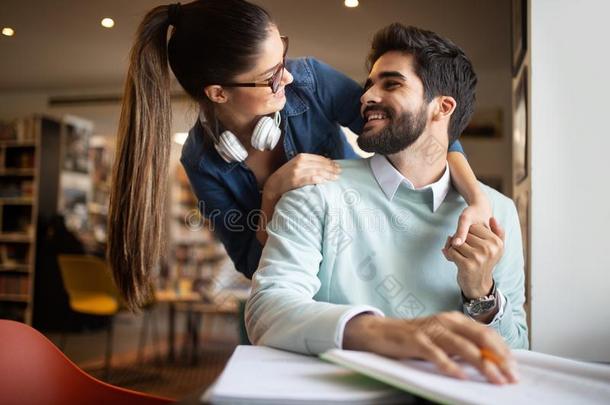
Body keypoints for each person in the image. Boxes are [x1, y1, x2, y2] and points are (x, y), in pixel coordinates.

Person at [108, 0, 492, 309]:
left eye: (283, 57)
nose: (287, 78)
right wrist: (273, 191)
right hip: (290, 286)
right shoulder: (201, 160)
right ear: (218, 93)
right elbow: (250, 263)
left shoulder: (308, 80)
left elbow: (415, 131)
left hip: (357, 252)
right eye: (272, 74)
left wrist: (477, 197)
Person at [245, 24, 528, 385]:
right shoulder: (316, 190)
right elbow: (266, 310)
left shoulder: (497, 212)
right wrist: (387, 334)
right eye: (368, 86)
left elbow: (518, 352)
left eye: (391, 84)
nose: (366, 97)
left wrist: (481, 295)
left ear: (442, 107)